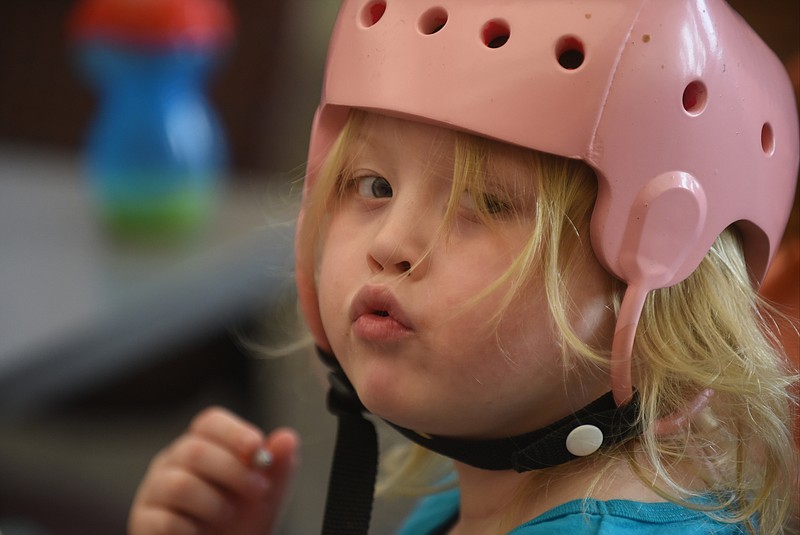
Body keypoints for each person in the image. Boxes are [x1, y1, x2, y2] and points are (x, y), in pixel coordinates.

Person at [128, 1, 800, 534]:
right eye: (372, 185)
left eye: (483, 203)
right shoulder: (475, 499)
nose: (390, 242)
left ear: (659, 286)